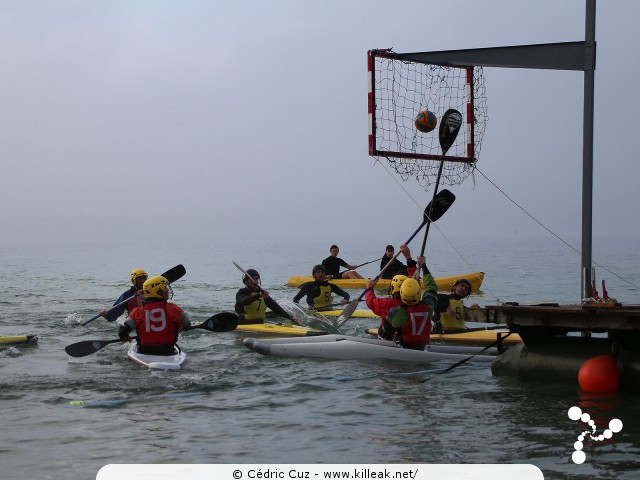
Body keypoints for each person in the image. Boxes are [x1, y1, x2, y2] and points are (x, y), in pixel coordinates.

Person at [366, 256, 437, 350]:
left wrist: (369, 289)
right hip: (421, 347)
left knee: (388, 318)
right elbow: (431, 287)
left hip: (400, 348)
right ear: (418, 292)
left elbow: (371, 302)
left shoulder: (394, 308)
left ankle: (384, 340)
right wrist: (423, 266)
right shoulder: (428, 305)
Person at [118, 275, 191, 355]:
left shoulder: (137, 311)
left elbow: (122, 331)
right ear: (158, 292)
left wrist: (125, 336)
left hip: (144, 351)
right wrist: (177, 329)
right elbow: (187, 325)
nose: (167, 290)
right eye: (165, 288)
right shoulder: (175, 308)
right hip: (168, 351)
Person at [235, 268, 300, 325]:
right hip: (243, 323)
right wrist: (259, 295)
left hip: (260, 324)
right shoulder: (241, 293)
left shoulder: (261, 293)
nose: (255, 281)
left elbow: (276, 308)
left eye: (256, 279)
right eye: (252, 279)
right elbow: (244, 301)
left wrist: (291, 318)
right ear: (245, 281)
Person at [365, 274, 408, 341]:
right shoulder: (417, 304)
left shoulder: (388, 303)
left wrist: (369, 289)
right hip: (409, 340)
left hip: (389, 341)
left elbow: (371, 303)